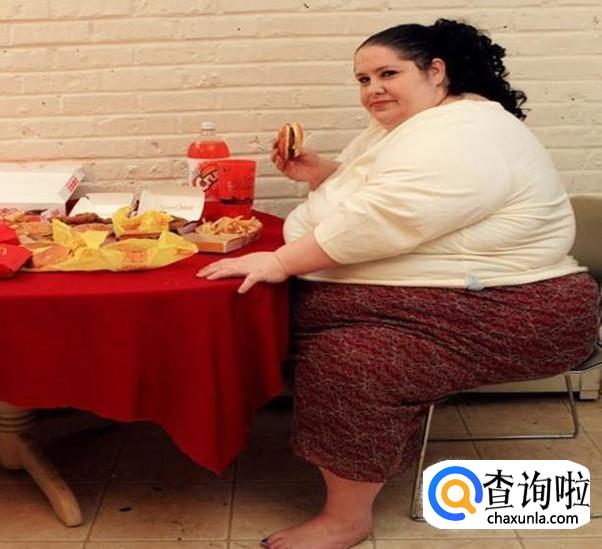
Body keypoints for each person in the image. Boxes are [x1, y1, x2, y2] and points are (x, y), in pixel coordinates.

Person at [197, 18, 600, 549]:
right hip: (460, 294)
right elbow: (375, 186)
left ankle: (347, 519)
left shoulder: (466, 134)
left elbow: (387, 216)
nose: (373, 89)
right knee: (272, 305)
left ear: (436, 71)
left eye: (388, 74)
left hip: (514, 309)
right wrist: (322, 173)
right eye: (363, 79)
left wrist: (283, 261)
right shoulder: (418, 124)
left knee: (354, 360)